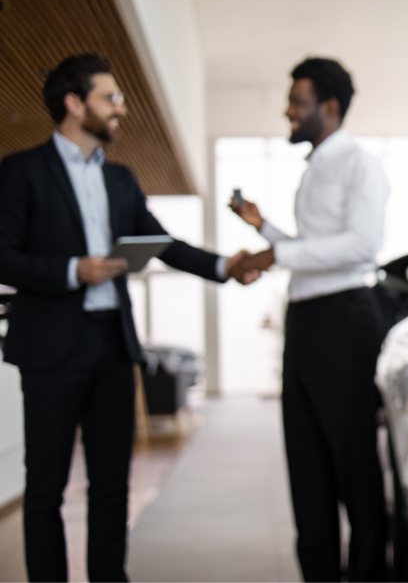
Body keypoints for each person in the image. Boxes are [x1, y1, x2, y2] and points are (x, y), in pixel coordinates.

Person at [0, 54, 253, 582]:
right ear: (74, 104)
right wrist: (74, 270)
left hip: (112, 346)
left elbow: (158, 242)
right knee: (45, 487)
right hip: (50, 350)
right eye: (110, 98)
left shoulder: (120, 179)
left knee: (112, 484)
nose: (122, 107)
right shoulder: (21, 172)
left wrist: (222, 266)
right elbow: (4, 256)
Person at [229, 57, 389, 581]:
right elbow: (310, 249)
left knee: (353, 466)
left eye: (297, 103)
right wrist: (265, 229)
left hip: (344, 321)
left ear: (330, 107)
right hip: (307, 322)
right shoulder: (317, 167)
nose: (288, 111)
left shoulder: (358, 164)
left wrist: (277, 255)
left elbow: (362, 246)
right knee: (307, 468)